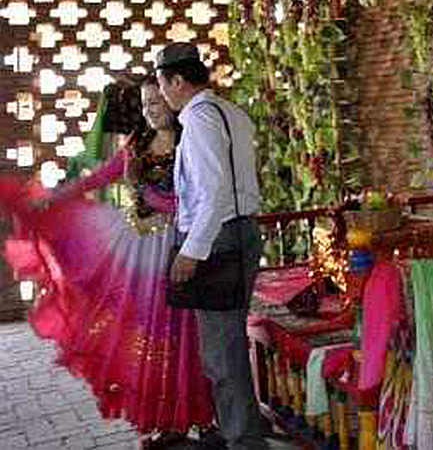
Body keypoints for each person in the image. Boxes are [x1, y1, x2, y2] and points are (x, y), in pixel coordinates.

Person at [0, 77, 216, 449]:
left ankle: (202, 416)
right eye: (145, 105)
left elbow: (201, 196)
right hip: (142, 253)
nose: (150, 111)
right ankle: (168, 422)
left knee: (188, 336)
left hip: (182, 249)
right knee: (151, 334)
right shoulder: (137, 145)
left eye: (157, 103)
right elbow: (101, 175)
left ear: (172, 100)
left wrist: (147, 192)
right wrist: (57, 196)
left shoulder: (192, 141)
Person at [155, 42, 268, 450]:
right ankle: (240, 429)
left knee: (222, 352)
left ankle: (244, 441)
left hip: (217, 238)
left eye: (161, 84)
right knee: (227, 343)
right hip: (238, 231)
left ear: (177, 81)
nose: (162, 94)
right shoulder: (229, 112)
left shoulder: (200, 120)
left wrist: (192, 250)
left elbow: (214, 193)